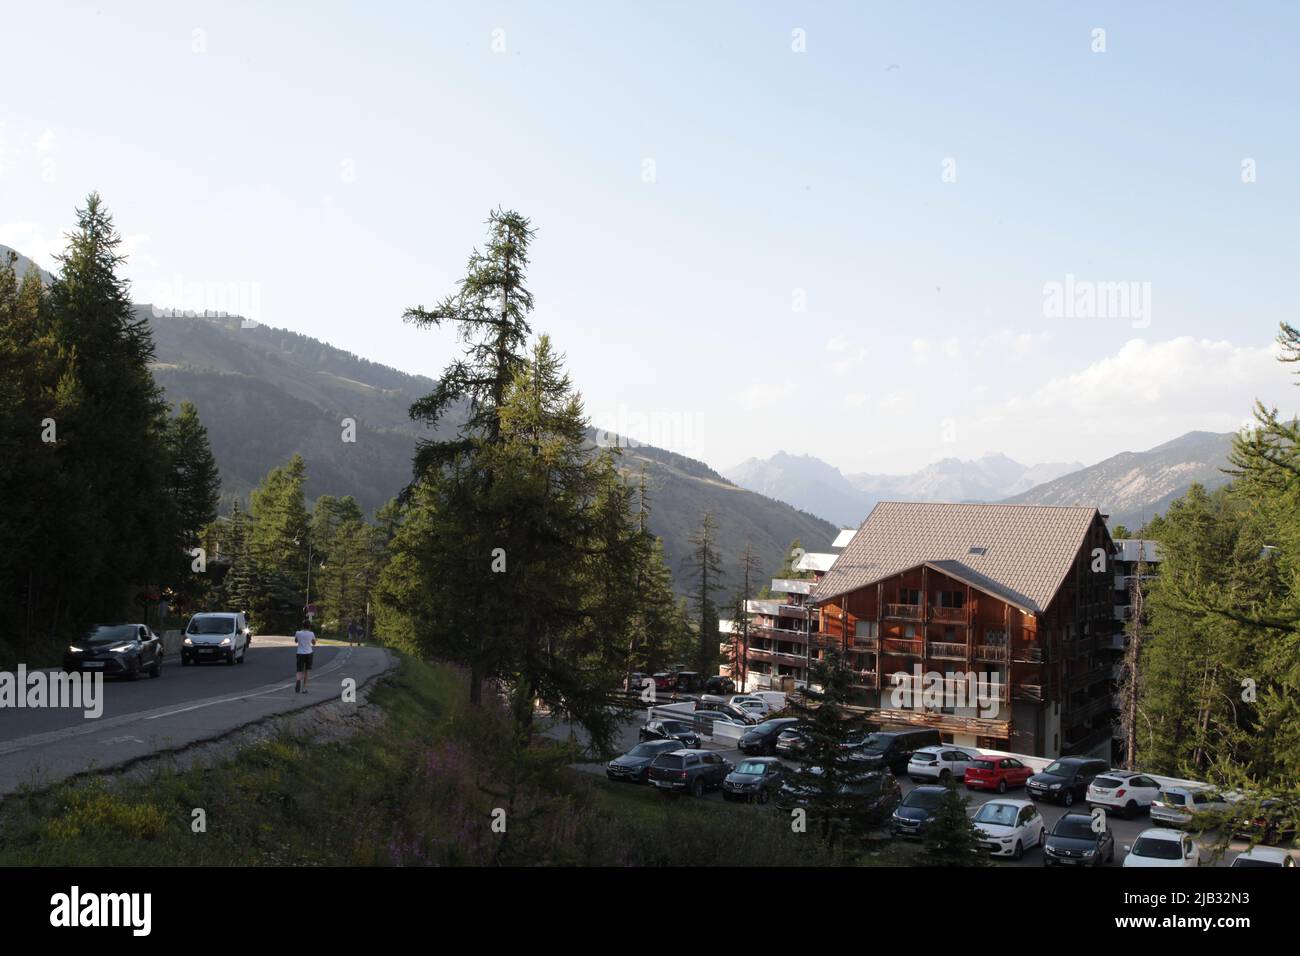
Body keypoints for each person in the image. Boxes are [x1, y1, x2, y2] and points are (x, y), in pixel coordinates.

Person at [293, 619, 317, 693]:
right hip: (309, 653)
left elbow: (296, 641)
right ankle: (304, 688)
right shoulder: (311, 633)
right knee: (307, 671)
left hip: (300, 653)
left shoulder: (298, 633)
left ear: (302, 626)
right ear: (309, 626)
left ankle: (298, 680)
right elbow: (314, 643)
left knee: (299, 670)